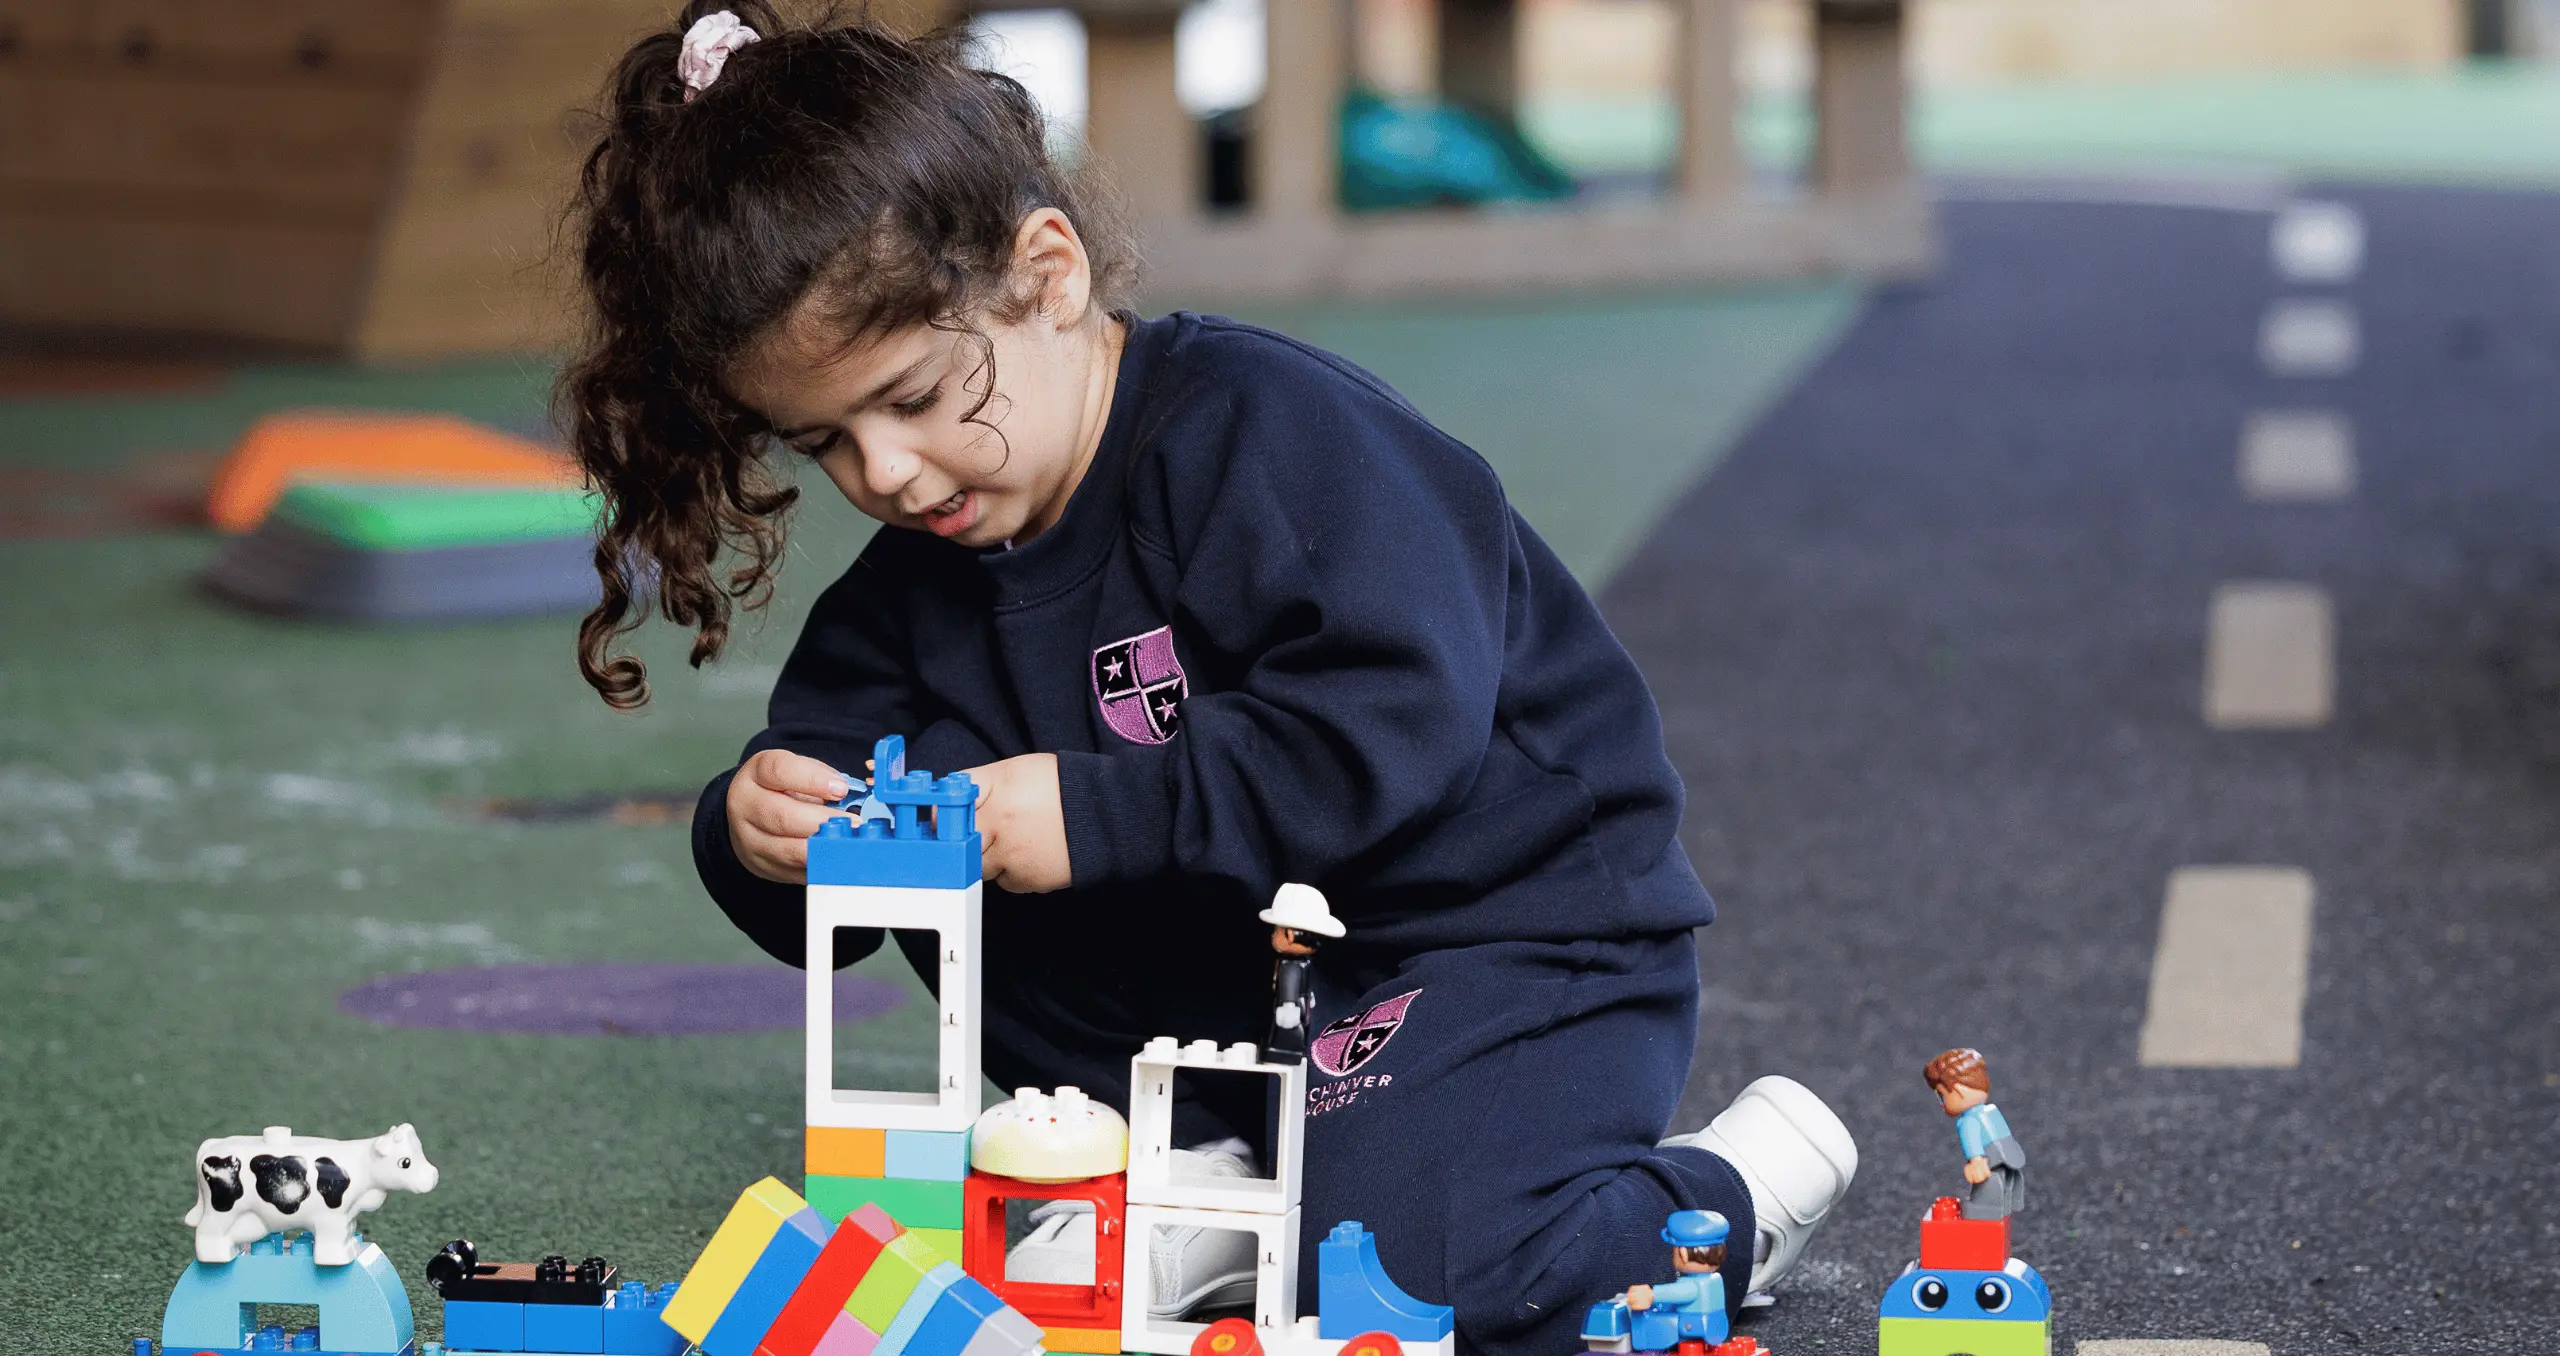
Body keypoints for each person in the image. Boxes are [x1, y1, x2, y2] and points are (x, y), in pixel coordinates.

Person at [557, 8, 1860, 1353]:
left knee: (1405, 1289)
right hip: (1208, 1027)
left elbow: (1395, 723)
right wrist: (759, 831)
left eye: (924, 395)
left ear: (1048, 274)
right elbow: (833, 801)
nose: (885, 473)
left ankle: (1719, 1196)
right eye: (826, 442)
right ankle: (1203, 1198)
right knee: (937, 818)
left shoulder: (1268, 438)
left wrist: (1097, 814)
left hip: (1483, 948)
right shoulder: (907, 592)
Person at [1922, 1048, 2025, 1220]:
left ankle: (1982, 1207)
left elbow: (1974, 1146)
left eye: (1942, 1096)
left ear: (1958, 1090)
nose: (1942, 1103)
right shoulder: (1991, 1112)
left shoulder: (1968, 1120)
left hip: (1989, 1169)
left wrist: (1977, 1161)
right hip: (2009, 1164)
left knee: (1983, 1200)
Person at [1625, 1210, 1730, 1350]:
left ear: (1683, 1254)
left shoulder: (1693, 1284)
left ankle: (1645, 1350)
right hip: (1714, 1324)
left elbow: (1682, 1292)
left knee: (1647, 1321)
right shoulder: (1715, 1279)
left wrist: (1651, 1294)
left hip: (1690, 1325)